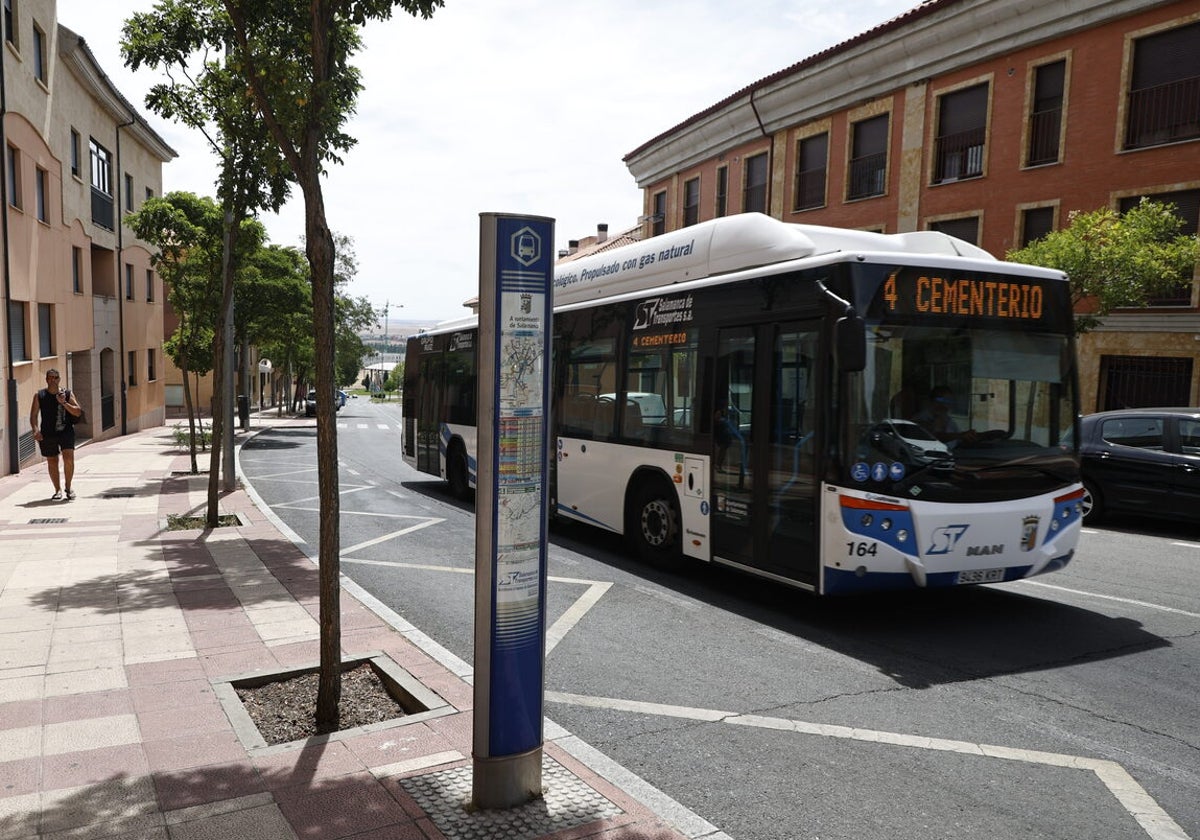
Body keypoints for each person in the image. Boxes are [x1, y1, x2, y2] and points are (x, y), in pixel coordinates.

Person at [29, 369, 84, 500]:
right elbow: (34, 415)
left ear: (59, 379)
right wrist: (35, 429)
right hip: (48, 432)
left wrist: (64, 402)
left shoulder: (67, 393)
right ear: (46, 380)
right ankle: (57, 490)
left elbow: (77, 412)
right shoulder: (39, 395)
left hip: (66, 431)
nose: (52, 380)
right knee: (52, 461)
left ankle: (68, 487)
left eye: (55, 377)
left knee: (68, 459)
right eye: (50, 378)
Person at [911, 385, 978, 447]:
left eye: (948, 401)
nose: (945, 405)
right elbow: (934, 438)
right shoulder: (920, 419)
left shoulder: (949, 421)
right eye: (941, 400)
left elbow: (961, 439)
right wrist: (959, 435)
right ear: (931, 400)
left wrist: (970, 435)